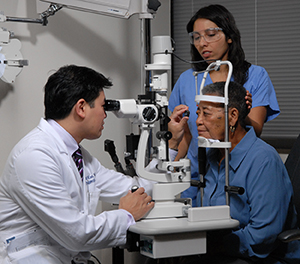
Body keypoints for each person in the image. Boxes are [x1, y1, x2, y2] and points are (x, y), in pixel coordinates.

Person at [0, 65, 155, 264]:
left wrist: (174, 151)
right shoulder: (34, 156)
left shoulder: (79, 156)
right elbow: (77, 234)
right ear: (81, 108)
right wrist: (125, 215)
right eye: (102, 106)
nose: (105, 115)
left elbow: (132, 187)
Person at [166, 81, 300, 263]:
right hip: (215, 249)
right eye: (198, 113)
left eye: (206, 114)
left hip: (258, 256)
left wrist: (212, 245)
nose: (198, 121)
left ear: (233, 116)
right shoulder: (210, 154)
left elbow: (262, 236)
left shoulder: (263, 160)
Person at [168, 4, 280, 205]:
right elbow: (187, 134)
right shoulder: (188, 80)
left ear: (229, 36)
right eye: (196, 37)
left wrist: (240, 112)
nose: (202, 43)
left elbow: (256, 130)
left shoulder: (255, 76)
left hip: (235, 172)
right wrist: (169, 173)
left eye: (210, 34)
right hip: (196, 175)